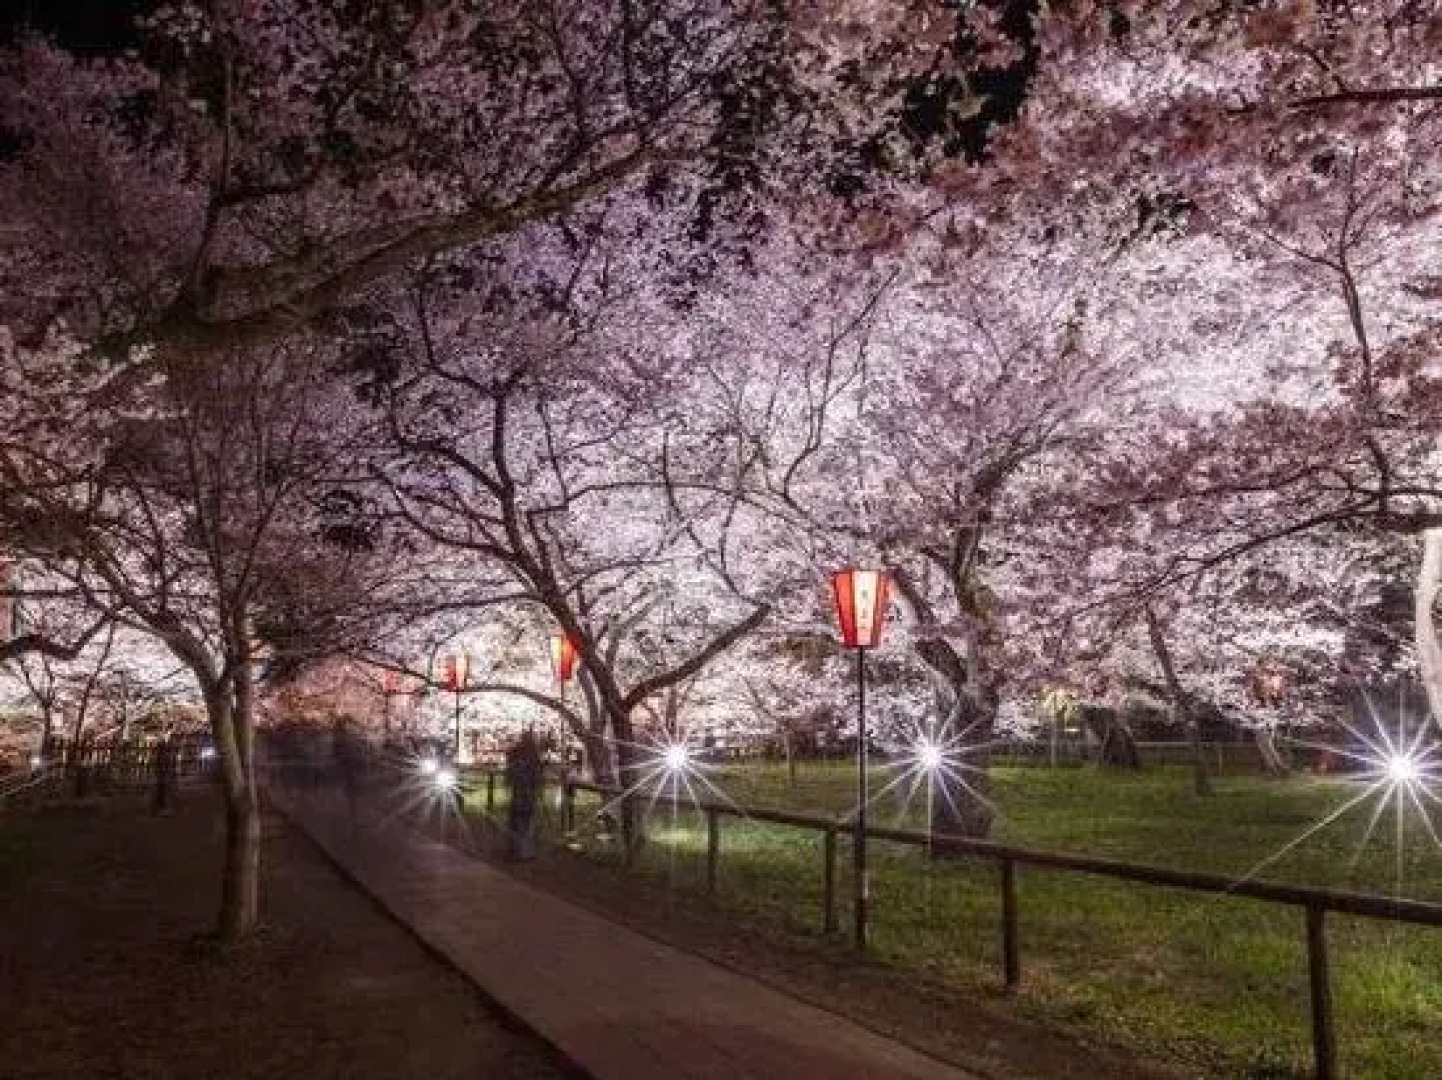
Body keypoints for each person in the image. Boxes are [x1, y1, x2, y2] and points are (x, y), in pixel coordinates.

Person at [504, 729, 544, 860]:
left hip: (519, 794)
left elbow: (509, 777)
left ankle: (517, 849)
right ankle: (524, 851)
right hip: (527, 794)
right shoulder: (532, 758)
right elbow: (537, 777)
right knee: (525, 823)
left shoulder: (515, 756)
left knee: (518, 821)